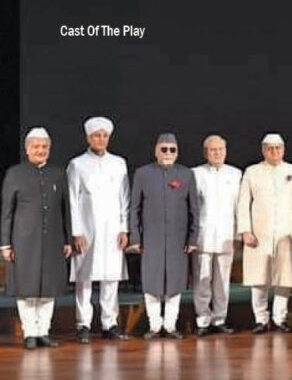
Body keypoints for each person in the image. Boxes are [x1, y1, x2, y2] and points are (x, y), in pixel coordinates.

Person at [1, 127, 72, 349]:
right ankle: (29, 332)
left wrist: (67, 239)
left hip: (52, 241)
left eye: (44, 147)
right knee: (27, 288)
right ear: (27, 149)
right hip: (23, 241)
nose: (40, 150)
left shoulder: (59, 174)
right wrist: (5, 243)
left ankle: (43, 332)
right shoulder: (15, 173)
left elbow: (66, 209)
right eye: (36, 146)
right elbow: (7, 211)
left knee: (47, 288)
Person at [128, 133, 199, 339]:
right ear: (156, 151)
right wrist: (136, 239)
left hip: (178, 240)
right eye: (164, 149)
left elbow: (194, 208)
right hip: (152, 239)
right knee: (152, 283)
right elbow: (134, 209)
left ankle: (169, 325)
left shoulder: (186, 174)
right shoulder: (143, 174)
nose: (168, 153)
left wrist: (192, 239)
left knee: (175, 283)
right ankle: (154, 325)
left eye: (172, 150)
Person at [237, 133, 292, 334]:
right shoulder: (252, 172)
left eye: (277, 148)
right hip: (258, 235)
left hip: (286, 235)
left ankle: (279, 319)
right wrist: (245, 231)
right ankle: (261, 319)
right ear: (263, 150)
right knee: (258, 279)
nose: (274, 152)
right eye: (270, 148)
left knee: (284, 279)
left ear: (283, 149)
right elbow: (243, 203)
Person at [67, 117, 129, 343]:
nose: (101, 139)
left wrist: (124, 228)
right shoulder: (77, 164)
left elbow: (125, 198)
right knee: (85, 278)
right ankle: (83, 324)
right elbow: (72, 199)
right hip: (87, 229)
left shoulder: (119, 163)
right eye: (96, 135)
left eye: (104, 135)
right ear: (88, 137)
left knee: (111, 277)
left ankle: (109, 323)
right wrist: (76, 231)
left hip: (112, 228)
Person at [191, 135, 242, 336]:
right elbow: (191, 208)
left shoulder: (236, 174)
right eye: (213, 150)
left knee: (222, 281)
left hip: (227, 235)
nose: (217, 153)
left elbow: (240, 207)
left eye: (221, 149)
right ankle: (202, 320)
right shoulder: (195, 174)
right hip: (202, 236)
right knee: (202, 279)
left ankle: (219, 319)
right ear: (206, 153)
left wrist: (239, 233)